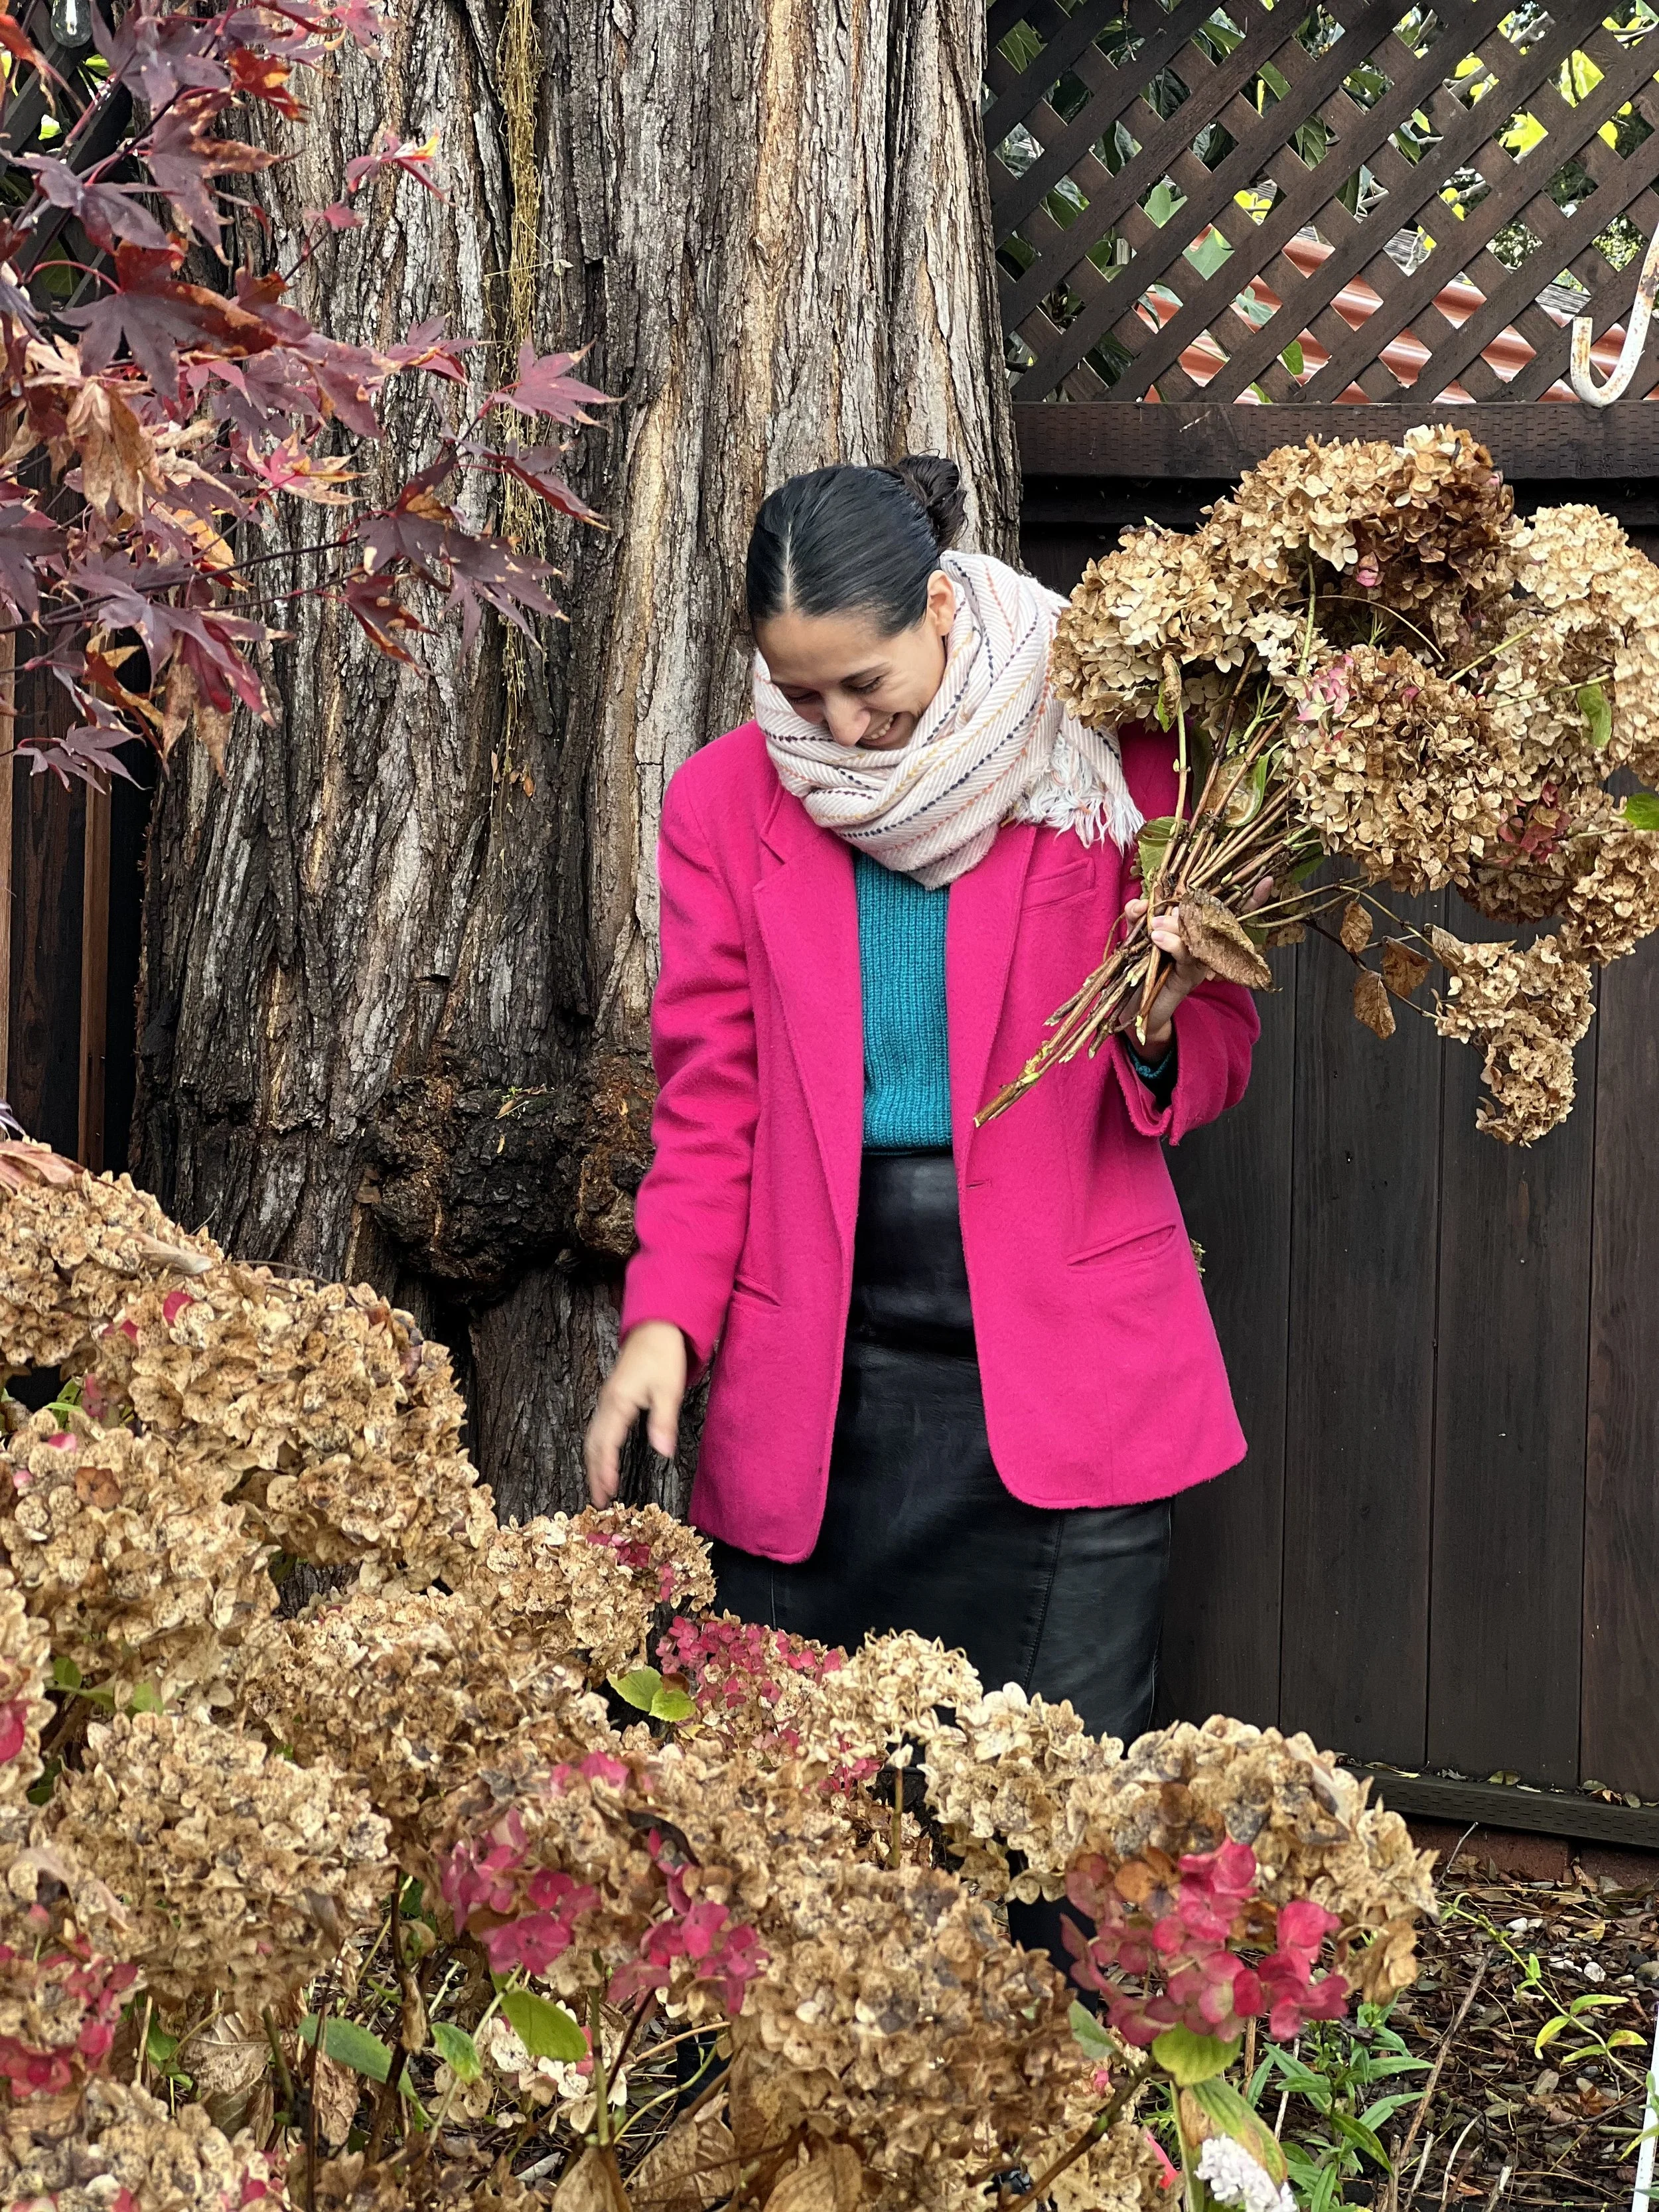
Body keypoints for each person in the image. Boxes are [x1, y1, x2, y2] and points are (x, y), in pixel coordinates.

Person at [584, 453, 1256, 1832]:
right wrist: (664, 1321)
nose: (835, 723)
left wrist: (1154, 1021)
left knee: (1042, 1844)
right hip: (817, 1386)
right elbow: (712, 1100)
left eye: (861, 685)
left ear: (941, 607)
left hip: (1064, 1385)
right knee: (789, 1834)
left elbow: (1218, 1052)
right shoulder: (725, 803)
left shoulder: (1107, 759)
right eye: (797, 690)